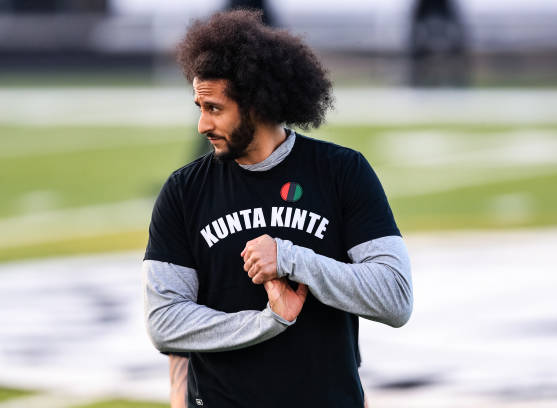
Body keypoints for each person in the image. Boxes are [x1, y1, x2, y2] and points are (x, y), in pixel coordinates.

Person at [143, 9, 413, 408]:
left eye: (214, 108)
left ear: (255, 104)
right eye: (199, 106)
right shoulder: (184, 192)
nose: (201, 125)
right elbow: (165, 323)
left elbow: (395, 297)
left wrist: (289, 258)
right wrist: (268, 322)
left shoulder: (342, 172)